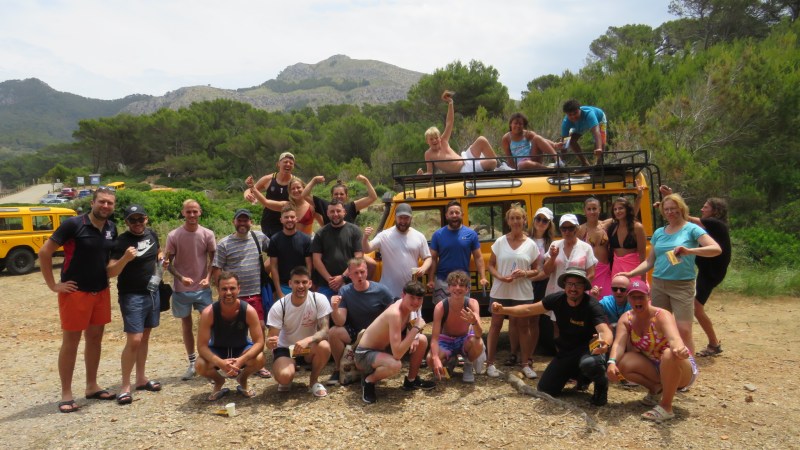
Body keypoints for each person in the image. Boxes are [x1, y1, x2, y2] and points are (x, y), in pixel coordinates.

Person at [38, 187, 118, 413]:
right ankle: (66, 394)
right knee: (71, 343)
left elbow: (107, 261)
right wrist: (53, 285)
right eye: (101, 202)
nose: (105, 206)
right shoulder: (73, 225)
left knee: (95, 340)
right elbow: (44, 253)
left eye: (110, 203)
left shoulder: (112, 228)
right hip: (75, 293)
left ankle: (92, 386)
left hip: (100, 291)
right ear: (92, 203)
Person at [492, 268, 613, 406]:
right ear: (564, 285)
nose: (573, 288)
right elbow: (529, 309)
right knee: (545, 389)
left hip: (587, 350)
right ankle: (580, 377)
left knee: (590, 364)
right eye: (570, 284)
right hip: (566, 351)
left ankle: (600, 385)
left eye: (578, 284)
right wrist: (503, 310)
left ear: (584, 287)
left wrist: (605, 344)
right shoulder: (557, 299)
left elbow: (604, 330)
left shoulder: (592, 305)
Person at [619, 193, 721, 354]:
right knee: (658, 328)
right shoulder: (659, 232)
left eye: (673, 208)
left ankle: (689, 369)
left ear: (681, 208)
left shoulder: (692, 229)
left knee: (684, 330)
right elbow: (649, 261)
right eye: (666, 209)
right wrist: (630, 273)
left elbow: (715, 249)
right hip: (659, 284)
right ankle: (662, 365)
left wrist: (689, 251)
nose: (670, 212)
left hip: (682, 285)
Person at [606, 280, 698, 421]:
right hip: (654, 365)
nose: (637, 300)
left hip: (678, 365)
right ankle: (656, 389)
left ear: (649, 297)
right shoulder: (626, 318)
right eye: (633, 297)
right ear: (628, 298)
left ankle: (666, 406)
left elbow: (674, 339)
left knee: (669, 353)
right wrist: (611, 362)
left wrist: (679, 349)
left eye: (641, 296)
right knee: (623, 362)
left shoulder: (661, 315)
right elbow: (618, 344)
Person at [660, 187, 732, 357]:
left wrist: (668, 199)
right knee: (697, 307)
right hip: (706, 270)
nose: (702, 209)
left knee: (697, 307)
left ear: (715, 211)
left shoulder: (715, 223)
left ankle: (714, 344)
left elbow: (683, 216)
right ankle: (713, 343)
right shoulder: (712, 225)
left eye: (705, 207)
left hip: (711, 272)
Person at [106, 204, 163, 405]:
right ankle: (125, 386)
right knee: (134, 340)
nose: (138, 223)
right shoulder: (121, 242)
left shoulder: (152, 235)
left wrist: (160, 259)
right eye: (133, 220)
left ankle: (141, 378)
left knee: (145, 337)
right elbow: (111, 272)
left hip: (152, 293)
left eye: (141, 219)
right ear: (126, 222)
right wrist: (125, 259)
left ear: (146, 219)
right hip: (132, 295)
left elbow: (158, 252)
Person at [210, 208, 272, 378]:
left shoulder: (259, 237)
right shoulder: (224, 243)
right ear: (234, 222)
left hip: (255, 292)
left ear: (251, 222)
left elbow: (275, 252)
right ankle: (234, 361)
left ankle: (258, 364)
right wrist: (222, 292)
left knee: (259, 328)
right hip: (233, 295)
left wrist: (266, 269)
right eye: (240, 220)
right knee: (234, 331)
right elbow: (217, 269)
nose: (243, 224)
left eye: (246, 220)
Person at [485, 205, 541, 379]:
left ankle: (525, 363)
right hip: (501, 290)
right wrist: (500, 277)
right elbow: (490, 265)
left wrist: (524, 273)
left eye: (519, 218)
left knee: (524, 327)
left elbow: (536, 270)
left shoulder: (531, 245)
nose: (516, 221)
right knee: (495, 325)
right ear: (508, 221)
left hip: (522, 292)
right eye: (513, 218)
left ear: (524, 220)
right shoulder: (500, 242)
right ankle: (490, 363)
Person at [356, 281, 434, 404]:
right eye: (412, 297)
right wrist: (415, 330)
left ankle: (411, 381)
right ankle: (368, 381)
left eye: (419, 298)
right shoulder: (395, 313)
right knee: (395, 364)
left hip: (384, 349)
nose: (415, 302)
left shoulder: (409, 309)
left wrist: (414, 335)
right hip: (364, 355)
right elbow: (397, 354)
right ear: (403, 295)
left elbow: (409, 330)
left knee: (422, 340)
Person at [165, 199, 217, 380]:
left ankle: (209, 361)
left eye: (195, 211)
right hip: (181, 289)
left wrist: (208, 278)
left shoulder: (207, 234)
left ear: (200, 212)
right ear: (183, 213)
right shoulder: (174, 235)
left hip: (202, 288)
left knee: (209, 324)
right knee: (186, 325)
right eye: (189, 212)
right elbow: (168, 264)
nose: (192, 215)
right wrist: (180, 278)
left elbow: (213, 260)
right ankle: (192, 362)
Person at [196, 272, 266, 401]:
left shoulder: (248, 310)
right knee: (200, 364)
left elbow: (260, 342)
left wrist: (241, 360)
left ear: (239, 289)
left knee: (260, 358)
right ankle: (219, 381)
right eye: (224, 289)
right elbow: (201, 346)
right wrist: (220, 363)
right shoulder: (208, 313)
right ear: (218, 290)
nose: (228, 293)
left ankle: (242, 379)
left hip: (241, 349)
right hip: (217, 350)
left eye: (232, 288)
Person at [266, 266, 332, 397]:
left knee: (324, 346)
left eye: (304, 282)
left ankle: (313, 381)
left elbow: (325, 330)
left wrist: (308, 340)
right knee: (284, 378)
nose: (301, 286)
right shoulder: (280, 306)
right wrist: (270, 342)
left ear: (310, 283)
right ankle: (288, 370)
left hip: (308, 348)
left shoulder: (319, 299)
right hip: (287, 348)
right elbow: (271, 341)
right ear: (290, 284)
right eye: (296, 282)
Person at [327, 258, 395, 386]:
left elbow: (393, 313)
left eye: (362, 272)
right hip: (355, 330)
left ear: (367, 272)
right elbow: (340, 322)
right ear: (350, 275)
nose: (360, 276)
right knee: (333, 332)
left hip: (375, 333)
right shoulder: (345, 291)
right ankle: (339, 369)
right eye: (356, 273)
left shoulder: (381, 290)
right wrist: (334, 309)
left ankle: (371, 366)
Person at [417, 90, 500, 174]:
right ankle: (496, 166)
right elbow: (430, 172)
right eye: (431, 139)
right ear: (427, 141)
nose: (434, 140)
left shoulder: (444, 141)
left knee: (481, 140)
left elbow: (449, 122)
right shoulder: (428, 154)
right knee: (492, 162)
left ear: (439, 138)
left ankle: (499, 167)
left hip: (465, 158)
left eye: (436, 138)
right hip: (464, 170)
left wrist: (450, 103)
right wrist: (421, 174)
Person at [361, 203, 432, 296]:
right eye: (400, 217)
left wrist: (423, 268)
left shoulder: (419, 236)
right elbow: (367, 249)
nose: (403, 221)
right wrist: (365, 237)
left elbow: (428, 257)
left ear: (411, 218)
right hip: (388, 291)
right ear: (395, 217)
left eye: (406, 218)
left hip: (411, 290)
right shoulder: (384, 235)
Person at [428, 271, 486, 383]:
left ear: (467, 289)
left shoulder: (472, 303)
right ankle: (449, 363)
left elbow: (479, 334)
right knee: (430, 358)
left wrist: (474, 322)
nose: (457, 288)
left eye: (461, 285)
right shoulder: (440, 307)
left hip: (464, 339)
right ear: (448, 288)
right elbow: (434, 338)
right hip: (445, 340)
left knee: (478, 342)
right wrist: (435, 358)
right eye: (454, 285)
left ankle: (468, 365)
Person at [428, 200, 489, 304]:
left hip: (462, 282)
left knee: (462, 313)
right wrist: (430, 279)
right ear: (446, 215)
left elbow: (478, 257)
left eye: (457, 212)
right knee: (442, 313)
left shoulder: (471, 234)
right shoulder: (438, 235)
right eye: (451, 213)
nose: (454, 215)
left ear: (462, 214)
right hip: (442, 281)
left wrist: (483, 277)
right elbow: (433, 258)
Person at [311, 199, 364, 298]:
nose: (335, 214)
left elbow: (358, 257)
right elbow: (316, 260)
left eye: (338, 211)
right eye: (332, 211)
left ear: (344, 212)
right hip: (326, 285)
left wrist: (342, 277)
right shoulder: (320, 233)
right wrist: (331, 280)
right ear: (327, 213)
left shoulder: (355, 231)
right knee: (325, 313)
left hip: (350, 283)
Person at [245, 152, 296, 237]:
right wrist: (247, 195)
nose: (288, 164)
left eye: (291, 163)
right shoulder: (268, 179)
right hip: (268, 222)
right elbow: (250, 190)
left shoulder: (295, 183)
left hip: (287, 222)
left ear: (293, 166)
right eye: (285, 162)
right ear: (278, 164)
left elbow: (304, 200)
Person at [267, 204, 312, 296]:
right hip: (284, 286)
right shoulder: (275, 240)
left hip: (302, 285)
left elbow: (309, 265)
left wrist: (307, 286)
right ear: (281, 220)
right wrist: (279, 291)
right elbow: (273, 267)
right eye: (286, 217)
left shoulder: (306, 239)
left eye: (292, 217)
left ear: (296, 219)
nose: (289, 220)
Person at [247, 175, 316, 235]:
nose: (296, 190)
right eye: (293, 188)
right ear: (289, 192)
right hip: (289, 243)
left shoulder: (312, 206)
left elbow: (323, 223)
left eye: (298, 187)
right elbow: (266, 202)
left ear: (304, 188)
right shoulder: (287, 205)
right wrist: (253, 188)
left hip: (307, 244)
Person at [305, 174, 378, 226]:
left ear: (347, 196)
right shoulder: (325, 205)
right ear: (332, 196)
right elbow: (305, 195)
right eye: (336, 194)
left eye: (341, 194)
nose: (338, 196)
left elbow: (373, 197)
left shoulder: (352, 206)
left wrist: (366, 181)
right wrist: (314, 180)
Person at [607, 196, 647, 285]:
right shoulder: (612, 227)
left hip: (634, 268)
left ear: (627, 209)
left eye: (621, 208)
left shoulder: (637, 227)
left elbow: (642, 254)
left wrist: (643, 278)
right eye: (615, 209)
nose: (618, 211)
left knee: (636, 295)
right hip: (617, 269)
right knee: (618, 294)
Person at [577, 197, 612, 297]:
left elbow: (627, 216)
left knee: (607, 300)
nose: (592, 212)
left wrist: (639, 197)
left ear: (599, 209)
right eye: (589, 209)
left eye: (594, 208)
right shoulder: (580, 230)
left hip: (606, 270)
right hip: (589, 271)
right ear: (584, 211)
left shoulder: (606, 225)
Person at [561, 99, 608, 165]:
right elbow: (565, 143)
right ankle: (585, 163)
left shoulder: (589, 114)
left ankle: (600, 163)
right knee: (571, 140)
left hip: (599, 120)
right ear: (566, 114)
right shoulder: (566, 122)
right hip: (579, 125)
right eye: (570, 115)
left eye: (575, 113)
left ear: (579, 110)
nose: (573, 116)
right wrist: (561, 161)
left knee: (600, 142)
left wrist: (599, 148)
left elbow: (596, 132)